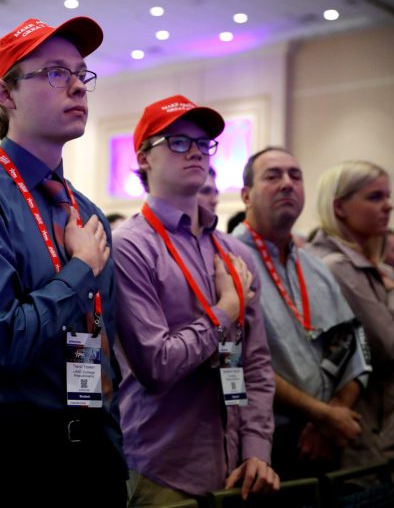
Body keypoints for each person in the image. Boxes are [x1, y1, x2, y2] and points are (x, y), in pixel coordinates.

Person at [0, 16, 126, 506]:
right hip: (13, 458)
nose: (79, 86)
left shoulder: (87, 213)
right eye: (57, 73)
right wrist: (78, 270)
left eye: (83, 74)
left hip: (92, 447)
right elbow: (0, 345)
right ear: (6, 95)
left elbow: (106, 339)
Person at [113, 94, 279, 505]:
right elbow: (157, 365)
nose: (196, 152)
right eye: (178, 142)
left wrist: (257, 449)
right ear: (144, 158)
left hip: (239, 467)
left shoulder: (234, 254)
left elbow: (255, 363)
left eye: (203, 144)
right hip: (162, 467)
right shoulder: (130, 247)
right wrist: (225, 311)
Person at [232, 147, 370, 479]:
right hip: (261, 446)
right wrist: (322, 415)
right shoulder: (226, 260)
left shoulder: (316, 268)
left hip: (326, 440)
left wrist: (333, 414)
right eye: (273, 175)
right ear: (246, 195)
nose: (287, 184)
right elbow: (240, 361)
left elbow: (353, 345)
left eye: (295, 176)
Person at [307, 160, 394, 497]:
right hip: (365, 448)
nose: (389, 205)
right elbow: (390, 348)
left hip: (386, 441)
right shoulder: (340, 267)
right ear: (340, 206)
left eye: (388, 195)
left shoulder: (364, 265)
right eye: (375, 197)